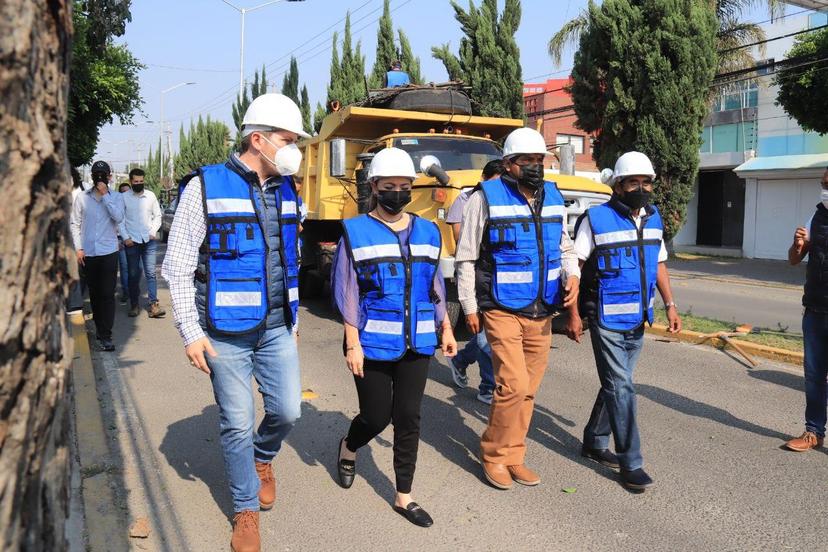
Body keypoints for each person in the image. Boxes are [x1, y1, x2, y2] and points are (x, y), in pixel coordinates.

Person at [161, 93, 308, 552]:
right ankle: (245, 511)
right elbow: (177, 265)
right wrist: (190, 333)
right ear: (258, 139)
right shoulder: (204, 187)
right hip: (223, 333)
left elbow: (290, 257)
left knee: (288, 410)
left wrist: (293, 313)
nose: (294, 149)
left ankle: (263, 458)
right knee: (237, 423)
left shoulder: (288, 190)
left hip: (276, 327)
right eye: (288, 139)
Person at [332, 147, 457, 527]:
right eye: (390, 186)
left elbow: (434, 285)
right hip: (370, 342)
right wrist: (352, 342)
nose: (398, 192)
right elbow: (346, 291)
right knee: (375, 416)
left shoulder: (427, 231)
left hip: (417, 342)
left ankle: (404, 495)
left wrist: (445, 328)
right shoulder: (356, 231)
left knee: (408, 417)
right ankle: (349, 446)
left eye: (405, 186)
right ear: (374, 186)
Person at [454, 127, 581, 490]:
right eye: (526, 161)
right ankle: (493, 454)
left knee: (528, 390)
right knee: (512, 384)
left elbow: (565, 247)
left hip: (542, 309)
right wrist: (469, 307)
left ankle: (514, 455)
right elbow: (466, 258)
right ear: (509, 164)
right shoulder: (484, 198)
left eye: (539, 160)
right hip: (500, 306)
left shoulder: (554, 198)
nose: (535, 167)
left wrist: (572, 275)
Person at [573, 151, 681, 491]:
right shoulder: (596, 218)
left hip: (639, 316)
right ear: (617, 185)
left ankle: (593, 439)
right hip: (604, 316)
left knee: (618, 384)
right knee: (622, 387)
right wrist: (573, 314)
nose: (640, 188)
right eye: (632, 182)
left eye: (645, 182)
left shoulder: (654, 217)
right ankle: (631, 462)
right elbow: (573, 266)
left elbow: (659, 263)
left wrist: (671, 304)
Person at [445, 159, 503, 404]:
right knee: (484, 337)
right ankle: (488, 387)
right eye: (495, 182)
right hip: (474, 270)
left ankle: (460, 360)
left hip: (497, 276)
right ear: (484, 177)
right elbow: (461, 235)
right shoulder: (467, 198)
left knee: (489, 335)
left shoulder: (508, 201)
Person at [784, 167, 828, 453]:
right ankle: (814, 432)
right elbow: (793, 260)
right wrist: (798, 245)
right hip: (815, 309)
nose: (825, 189)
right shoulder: (816, 216)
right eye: (824, 183)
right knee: (813, 375)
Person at [70, 161, 125, 351]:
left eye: (103, 174)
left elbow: (118, 218)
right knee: (95, 294)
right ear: (92, 177)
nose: (100, 178)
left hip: (109, 252)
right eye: (97, 175)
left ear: (109, 176)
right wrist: (78, 248)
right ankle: (100, 330)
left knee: (107, 294)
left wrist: (105, 197)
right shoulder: (82, 198)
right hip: (88, 253)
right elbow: (75, 224)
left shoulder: (117, 197)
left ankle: (106, 335)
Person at [119, 168, 165, 318]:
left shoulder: (150, 196)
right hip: (132, 242)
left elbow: (158, 215)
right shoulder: (124, 197)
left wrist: (152, 232)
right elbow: (120, 220)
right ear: (131, 181)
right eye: (136, 181)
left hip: (148, 241)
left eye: (141, 181)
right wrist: (126, 237)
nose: (139, 183)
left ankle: (154, 304)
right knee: (133, 275)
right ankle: (134, 305)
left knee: (151, 273)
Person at [116, 182, 132, 305]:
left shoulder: (134, 204)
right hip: (120, 239)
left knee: (137, 268)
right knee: (125, 267)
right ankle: (126, 292)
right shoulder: (116, 206)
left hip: (134, 240)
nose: (125, 194)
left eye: (128, 191)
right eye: (123, 191)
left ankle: (132, 292)